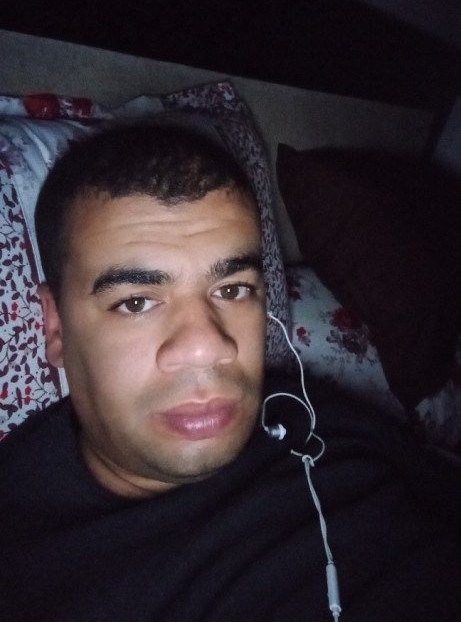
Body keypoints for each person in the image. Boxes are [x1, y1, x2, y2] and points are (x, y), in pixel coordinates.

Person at [0, 123, 460, 622]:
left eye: (233, 290)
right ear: (56, 328)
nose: (208, 347)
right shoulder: (22, 565)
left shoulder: (310, 412)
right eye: (136, 302)